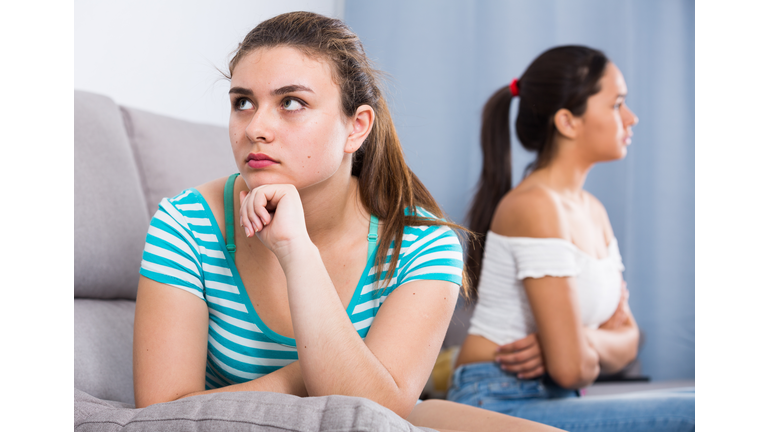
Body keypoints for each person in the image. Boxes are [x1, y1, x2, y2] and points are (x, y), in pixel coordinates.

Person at [132, 11, 559, 432]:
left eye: (291, 103)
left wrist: (296, 252)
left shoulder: (424, 242)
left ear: (357, 127)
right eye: (243, 102)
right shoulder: (186, 225)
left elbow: (377, 415)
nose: (256, 128)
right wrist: (299, 377)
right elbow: (159, 417)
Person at [447, 45, 694, 431]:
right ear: (568, 121)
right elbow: (572, 369)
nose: (632, 118)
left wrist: (581, 341)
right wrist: (588, 345)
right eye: (617, 104)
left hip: (552, 400)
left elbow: (629, 341)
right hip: (495, 400)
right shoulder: (535, 206)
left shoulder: (593, 211)